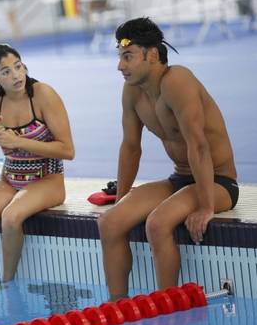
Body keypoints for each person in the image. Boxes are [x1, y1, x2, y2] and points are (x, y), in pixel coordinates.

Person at [98, 17, 239, 301]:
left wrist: (206, 206)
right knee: (110, 222)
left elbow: (198, 146)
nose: (120, 66)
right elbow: (130, 148)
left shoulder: (178, 81)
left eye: (127, 56)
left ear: (152, 54)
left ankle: (165, 307)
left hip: (217, 181)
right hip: (179, 179)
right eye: (119, 57)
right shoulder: (132, 92)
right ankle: (116, 307)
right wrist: (122, 199)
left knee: (157, 223)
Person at [0, 44, 75, 290]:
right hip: (9, 179)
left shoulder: (43, 94)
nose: (16, 75)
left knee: (11, 216)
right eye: (6, 72)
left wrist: (18, 141)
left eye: (18, 66)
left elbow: (68, 150)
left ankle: (7, 284)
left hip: (48, 178)